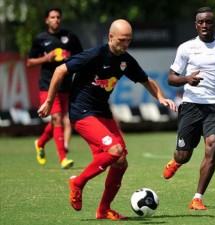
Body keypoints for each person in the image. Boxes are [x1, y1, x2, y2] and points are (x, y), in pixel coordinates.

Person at [38, 19, 177, 220]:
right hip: (82, 112)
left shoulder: (125, 60)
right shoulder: (94, 55)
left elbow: (147, 80)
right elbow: (60, 70)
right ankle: (77, 183)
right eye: (122, 40)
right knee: (116, 150)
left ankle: (103, 210)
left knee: (121, 162)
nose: (125, 44)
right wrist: (50, 102)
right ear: (110, 37)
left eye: (129, 40)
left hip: (102, 113)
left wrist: (161, 97)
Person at [163, 7, 215, 210]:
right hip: (191, 106)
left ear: (214, 25)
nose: (205, 25)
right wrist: (186, 79)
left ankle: (197, 197)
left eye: (209, 22)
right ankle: (176, 162)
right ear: (196, 24)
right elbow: (171, 78)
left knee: (213, 145)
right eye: (201, 22)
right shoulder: (186, 48)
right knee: (184, 155)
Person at [27, 6, 83, 168]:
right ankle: (63, 158)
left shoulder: (70, 37)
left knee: (56, 121)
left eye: (58, 17)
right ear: (47, 20)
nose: (56, 19)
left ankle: (40, 143)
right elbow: (30, 62)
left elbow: (81, 56)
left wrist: (70, 58)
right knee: (58, 118)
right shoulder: (40, 39)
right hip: (47, 85)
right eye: (52, 17)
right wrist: (46, 58)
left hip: (66, 84)